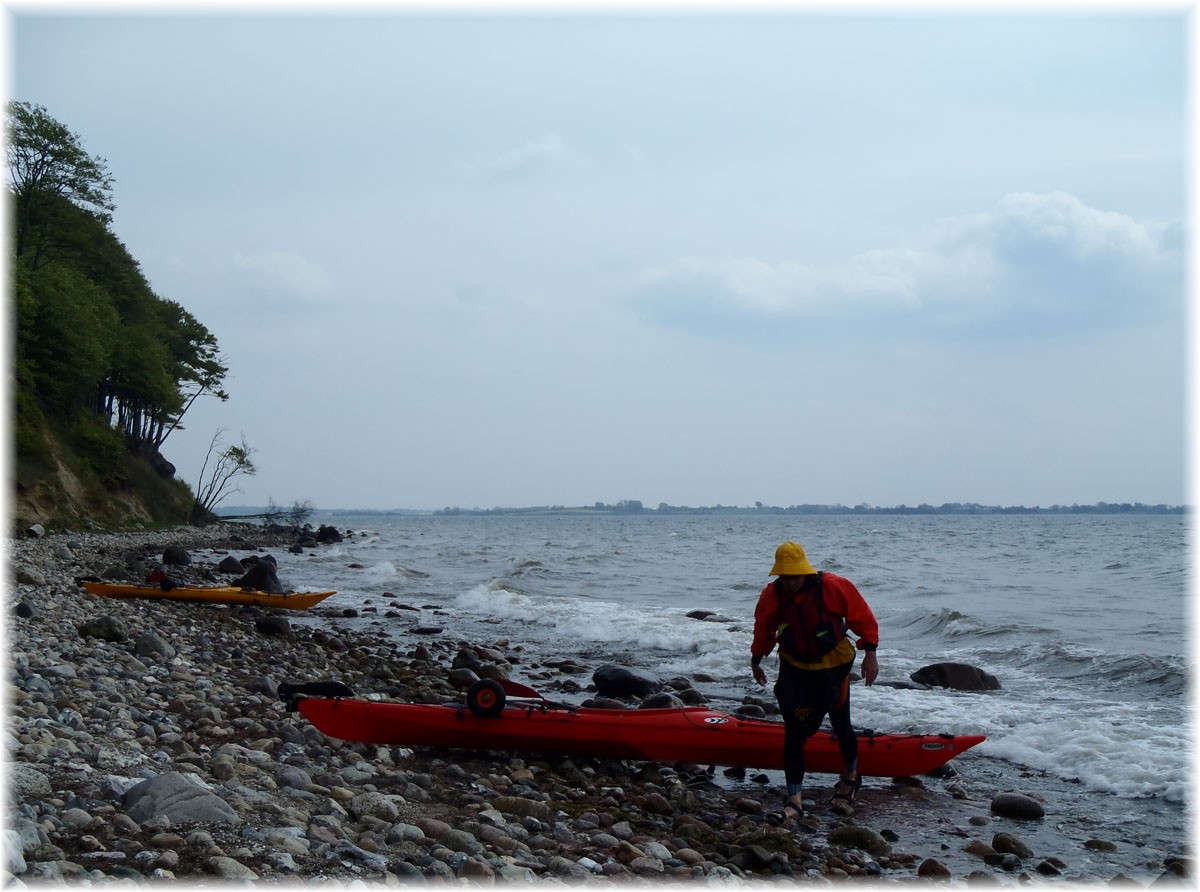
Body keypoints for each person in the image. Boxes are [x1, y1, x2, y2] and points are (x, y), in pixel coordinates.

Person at [750, 541, 879, 822]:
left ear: (805, 572)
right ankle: (794, 798)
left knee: (839, 720)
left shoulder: (833, 586)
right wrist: (756, 659)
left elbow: (863, 618)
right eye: (784, 577)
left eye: (794, 576)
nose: (790, 582)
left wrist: (870, 652)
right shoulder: (772, 595)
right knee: (795, 730)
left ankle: (851, 775)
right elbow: (764, 628)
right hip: (794, 664)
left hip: (834, 664)